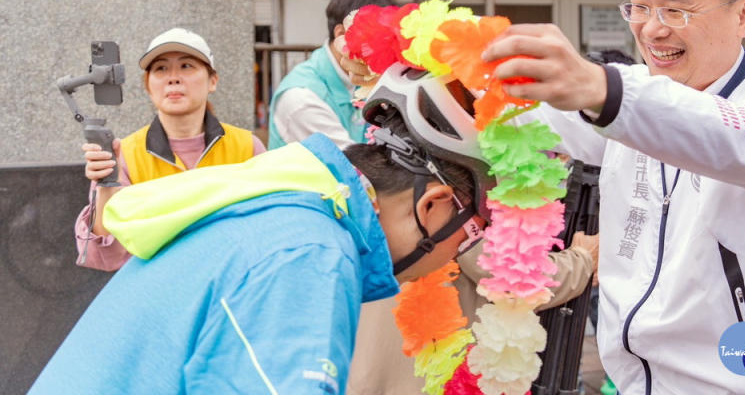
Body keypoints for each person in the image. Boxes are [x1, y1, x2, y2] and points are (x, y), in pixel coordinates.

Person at [481, 0, 745, 393]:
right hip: (634, 382)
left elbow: (737, 136)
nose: (651, 30)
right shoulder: (630, 91)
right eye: (639, 7)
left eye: (676, 10)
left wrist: (602, 90)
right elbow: (507, 118)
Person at [29, 65, 491, 395]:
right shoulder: (310, 254)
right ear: (433, 204)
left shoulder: (281, 205)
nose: (456, 254)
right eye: (469, 232)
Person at [76, 28, 265, 271]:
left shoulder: (247, 146)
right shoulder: (126, 154)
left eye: (187, 66)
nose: (173, 78)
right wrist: (105, 186)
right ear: (147, 85)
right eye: (161, 69)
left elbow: (266, 229)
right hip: (158, 292)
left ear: (213, 81)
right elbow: (105, 258)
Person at [268, 0, 397, 150]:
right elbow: (352, 166)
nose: (385, 48)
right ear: (342, 35)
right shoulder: (301, 98)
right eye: (377, 39)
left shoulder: (365, 78)